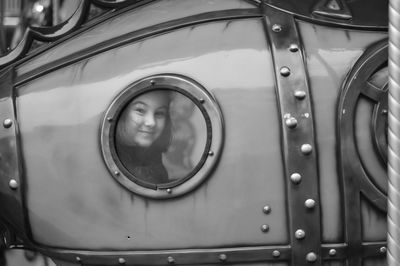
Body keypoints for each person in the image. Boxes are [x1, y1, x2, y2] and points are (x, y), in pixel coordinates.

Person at [115, 90, 172, 185]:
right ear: (121, 114)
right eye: (140, 110)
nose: (151, 122)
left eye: (159, 113)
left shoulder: (152, 158)